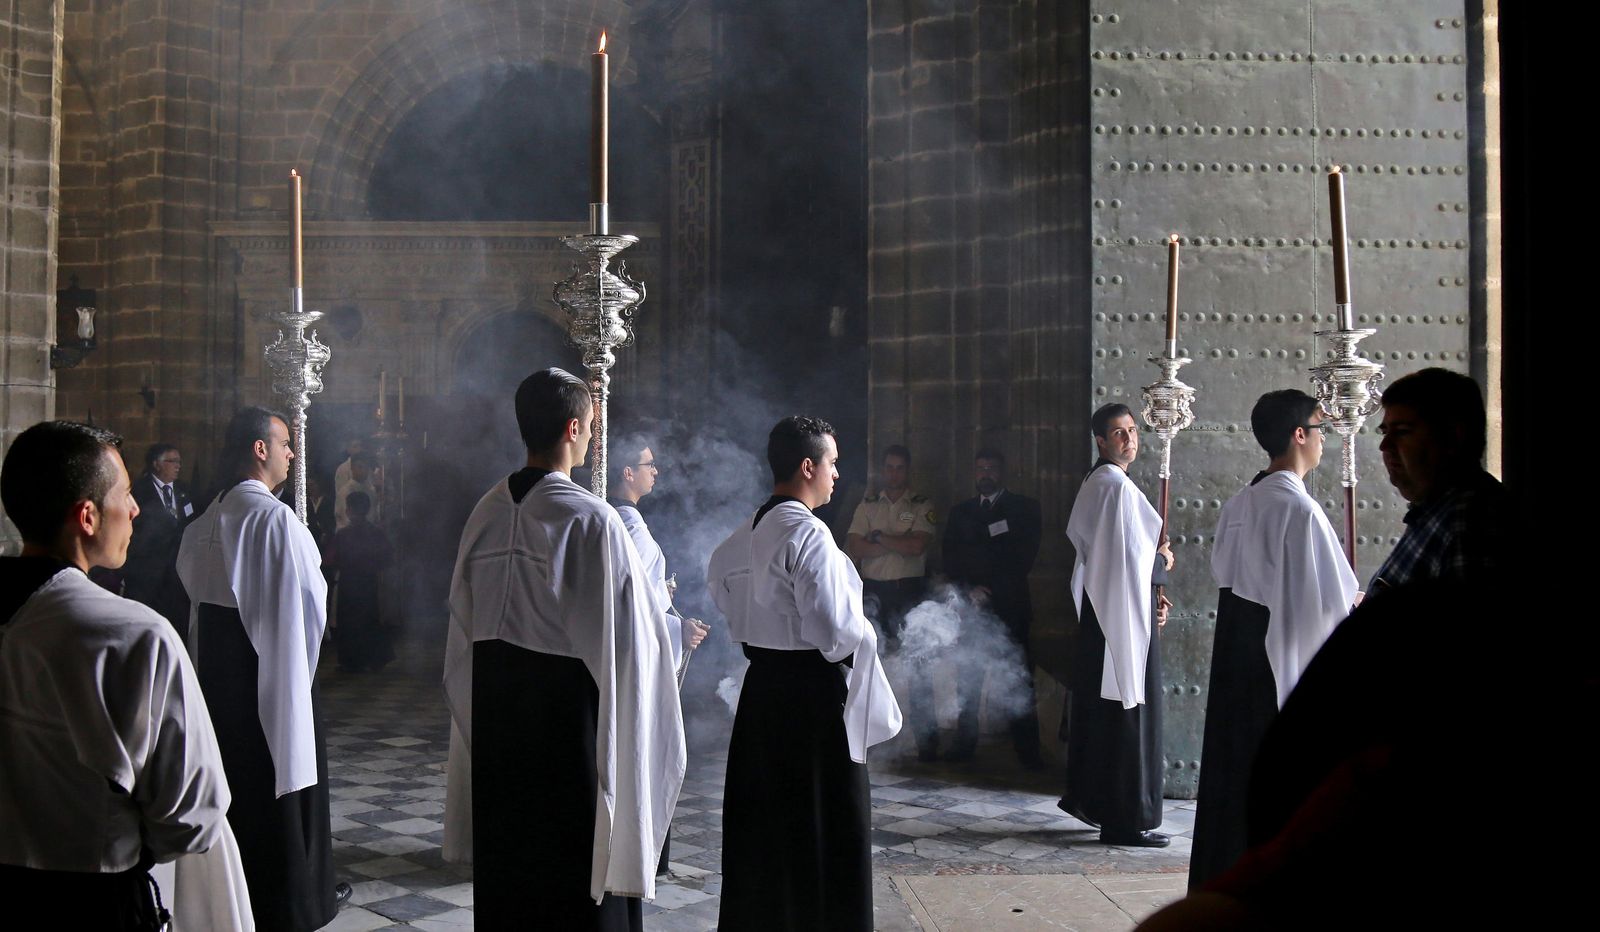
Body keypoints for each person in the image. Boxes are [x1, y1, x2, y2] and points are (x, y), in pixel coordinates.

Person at [442, 369, 684, 931]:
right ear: (574, 428)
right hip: (566, 720)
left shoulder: (486, 511)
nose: (594, 436)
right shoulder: (592, 519)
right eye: (592, 425)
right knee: (570, 868)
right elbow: (635, 641)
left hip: (497, 711)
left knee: (514, 862)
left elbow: (460, 626)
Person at [0, 421, 250, 930]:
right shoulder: (135, 635)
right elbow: (192, 817)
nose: (135, 509)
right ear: (87, 517)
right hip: (92, 901)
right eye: (126, 494)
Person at [706, 415, 901, 932]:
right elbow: (836, 631)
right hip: (811, 698)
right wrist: (864, 638)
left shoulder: (744, 533)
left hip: (763, 691)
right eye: (833, 463)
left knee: (766, 822)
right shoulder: (808, 533)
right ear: (808, 466)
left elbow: (720, 585)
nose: (837, 474)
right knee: (822, 820)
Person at [177, 407, 342, 931]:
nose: (292, 453)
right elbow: (311, 600)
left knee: (239, 780)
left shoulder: (208, 516)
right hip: (269, 665)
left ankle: (242, 891)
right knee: (279, 774)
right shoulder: (272, 518)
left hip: (220, 675)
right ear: (259, 448)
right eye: (285, 443)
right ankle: (293, 899)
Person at [1188, 390, 1360, 888]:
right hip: (1275, 661)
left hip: (1237, 657)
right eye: (1320, 428)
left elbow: (1233, 576)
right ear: (1298, 434)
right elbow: (1322, 607)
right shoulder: (1300, 510)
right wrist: (1353, 604)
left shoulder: (1240, 503)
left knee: (1235, 777)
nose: (1325, 439)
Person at [1059, 404, 1174, 847]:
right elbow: (1129, 561)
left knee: (1113, 714)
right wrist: (1160, 562)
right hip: (1117, 620)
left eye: (1132, 430)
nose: (1129, 439)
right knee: (1126, 714)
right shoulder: (1113, 487)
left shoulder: (1102, 482)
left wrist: (1152, 591)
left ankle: (1116, 813)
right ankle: (1125, 820)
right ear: (1101, 441)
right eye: (1118, 433)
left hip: (1111, 613)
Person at [606, 431, 708, 874]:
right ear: (628, 472)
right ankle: (639, 849)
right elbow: (633, 614)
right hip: (633, 664)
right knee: (644, 752)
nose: (656, 471)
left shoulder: (607, 519)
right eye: (649, 464)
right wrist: (678, 629)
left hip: (609, 663)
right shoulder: (633, 530)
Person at [940, 446, 1044, 767]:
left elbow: (1023, 558)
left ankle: (1028, 752)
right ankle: (964, 744)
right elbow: (949, 557)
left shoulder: (1025, 508)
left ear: (1002, 472)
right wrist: (969, 589)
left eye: (991, 468)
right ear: (974, 472)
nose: (986, 474)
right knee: (968, 677)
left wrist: (992, 590)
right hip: (971, 608)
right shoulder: (960, 512)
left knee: (1018, 678)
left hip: (1010, 607)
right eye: (981, 468)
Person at [1369, 367, 1506, 593]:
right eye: (1385, 432)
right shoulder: (1432, 510)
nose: (1385, 446)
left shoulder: (1470, 521)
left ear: (1452, 437)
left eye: (1402, 431)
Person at [846, 444, 939, 760]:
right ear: (882, 470)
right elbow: (855, 548)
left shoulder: (921, 504)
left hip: (909, 591)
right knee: (870, 665)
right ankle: (868, 739)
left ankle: (927, 743)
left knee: (919, 663)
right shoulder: (868, 505)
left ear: (908, 470)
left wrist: (879, 537)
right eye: (889, 467)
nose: (894, 473)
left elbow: (917, 547)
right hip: (874, 592)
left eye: (899, 468)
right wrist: (897, 542)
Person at [123, 442, 194, 634]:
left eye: (179, 461)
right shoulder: (138, 491)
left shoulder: (185, 490)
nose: (178, 466)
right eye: (172, 461)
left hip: (177, 574)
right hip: (148, 575)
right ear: (157, 464)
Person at [326, 491, 395, 673]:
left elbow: (331, 559)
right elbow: (388, 558)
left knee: (350, 623)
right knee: (368, 620)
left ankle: (352, 661)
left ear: (349, 511)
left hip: (349, 584)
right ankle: (370, 659)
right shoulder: (375, 533)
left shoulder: (343, 535)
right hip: (368, 583)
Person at [334, 451, 381, 530]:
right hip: (348, 533)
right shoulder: (345, 492)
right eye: (360, 467)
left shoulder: (371, 491)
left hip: (369, 532)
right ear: (352, 468)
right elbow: (344, 518)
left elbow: (374, 515)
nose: (363, 471)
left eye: (366, 467)